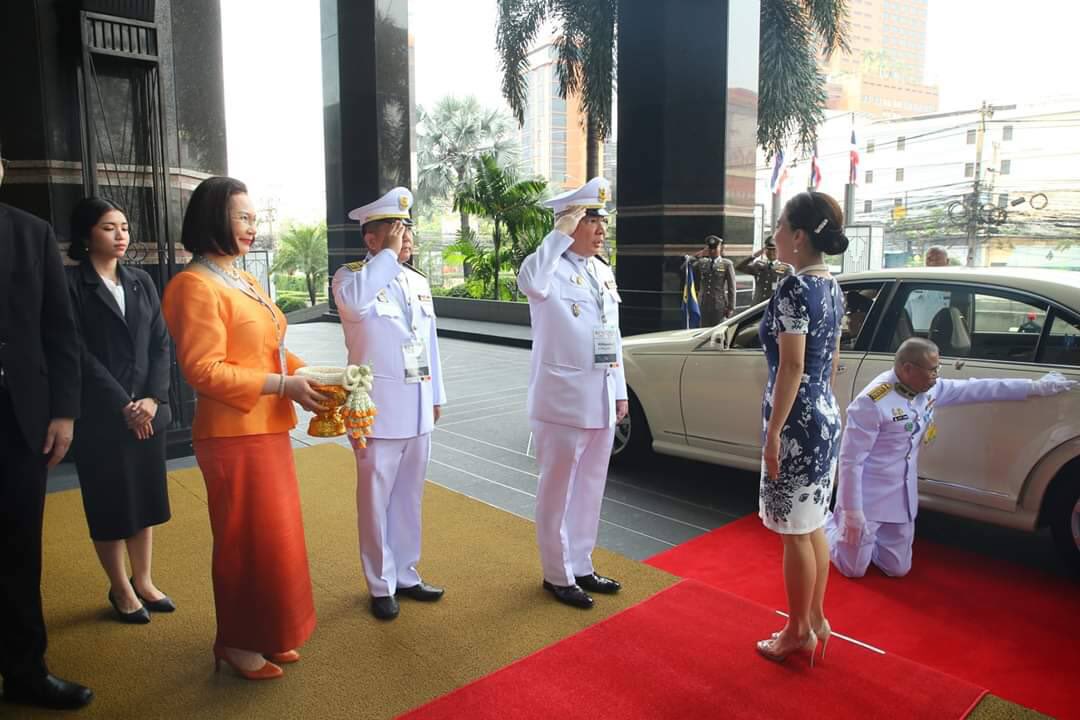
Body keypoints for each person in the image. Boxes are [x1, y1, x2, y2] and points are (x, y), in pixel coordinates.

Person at [162, 176, 325, 680]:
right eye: (244, 218)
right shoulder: (193, 284)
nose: (253, 227)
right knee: (243, 542)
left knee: (276, 539)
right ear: (215, 219)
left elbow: (269, 347)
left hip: (267, 428)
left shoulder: (241, 278)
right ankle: (235, 641)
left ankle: (272, 633)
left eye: (255, 218)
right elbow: (203, 371)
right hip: (232, 435)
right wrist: (282, 384)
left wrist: (306, 373)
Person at [825, 338, 1075, 578]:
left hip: (900, 498)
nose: (936, 376)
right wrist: (852, 511)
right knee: (853, 569)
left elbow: (979, 388)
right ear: (907, 368)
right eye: (932, 370)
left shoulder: (927, 389)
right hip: (869, 499)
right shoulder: (872, 402)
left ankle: (864, 541)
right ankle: (825, 526)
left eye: (938, 369)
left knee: (897, 569)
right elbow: (850, 461)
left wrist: (1035, 387)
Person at [0, 146, 94, 709]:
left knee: (17, 548)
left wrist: (63, 411)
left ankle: (25, 671)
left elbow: (60, 331)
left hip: (19, 418)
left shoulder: (30, 233)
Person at [331, 187, 447, 621]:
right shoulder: (350, 279)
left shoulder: (417, 282)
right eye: (397, 230)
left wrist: (436, 395)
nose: (407, 237)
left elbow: (429, 343)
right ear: (372, 239)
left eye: (408, 229)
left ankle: (406, 573)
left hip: (417, 400)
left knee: (409, 495)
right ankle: (380, 583)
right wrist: (387, 258)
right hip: (371, 399)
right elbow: (357, 305)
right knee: (375, 496)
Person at [518, 177, 627, 610]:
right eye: (592, 220)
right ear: (570, 222)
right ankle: (557, 574)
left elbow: (612, 337)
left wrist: (618, 391)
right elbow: (530, 281)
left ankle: (582, 563)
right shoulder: (546, 266)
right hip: (562, 400)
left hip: (599, 395)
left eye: (603, 220)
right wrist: (558, 232)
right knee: (558, 489)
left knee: (590, 487)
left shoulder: (602, 271)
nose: (601, 229)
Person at [65, 198, 174, 625]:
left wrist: (152, 399)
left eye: (124, 226)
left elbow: (161, 343)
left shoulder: (141, 281)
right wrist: (123, 404)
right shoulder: (71, 284)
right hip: (101, 415)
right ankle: (120, 586)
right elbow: (76, 351)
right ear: (87, 234)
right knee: (110, 501)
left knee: (144, 496)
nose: (121, 235)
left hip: (147, 411)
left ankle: (144, 579)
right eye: (110, 227)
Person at [755, 191, 848, 667]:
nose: (773, 235)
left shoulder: (794, 288)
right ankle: (815, 620)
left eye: (778, 226)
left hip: (797, 424)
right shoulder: (831, 287)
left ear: (797, 236)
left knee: (795, 532)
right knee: (812, 527)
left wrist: (774, 432)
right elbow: (829, 362)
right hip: (824, 416)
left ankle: (797, 632)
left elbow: (791, 366)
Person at [684, 235, 736, 325]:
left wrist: (731, 307)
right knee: (703, 331)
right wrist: (698, 255)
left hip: (719, 305)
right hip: (703, 304)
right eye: (710, 248)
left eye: (715, 248)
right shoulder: (702, 262)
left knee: (717, 331)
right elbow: (685, 267)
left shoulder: (727, 264)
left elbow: (732, 287)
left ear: (720, 248)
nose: (712, 251)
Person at [735, 236, 791, 305]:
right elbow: (739, 267)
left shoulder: (786, 268)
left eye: (774, 249)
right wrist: (753, 256)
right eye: (768, 249)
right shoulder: (759, 265)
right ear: (765, 250)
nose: (771, 252)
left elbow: (789, 291)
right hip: (757, 306)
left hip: (773, 307)